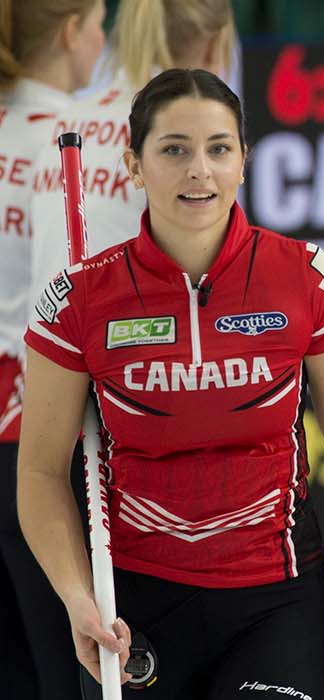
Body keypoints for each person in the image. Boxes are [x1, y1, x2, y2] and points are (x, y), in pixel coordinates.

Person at [18, 69, 324, 700]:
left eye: (218, 148)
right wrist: (78, 600)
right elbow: (40, 473)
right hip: (135, 605)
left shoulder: (306, 278)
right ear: (135, 163)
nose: (198, 169)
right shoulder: (81, 299)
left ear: (243, 162)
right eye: (173, 149)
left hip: (276, 598)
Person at [0, 3, 106, 696]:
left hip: (18, 415)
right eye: (100, 21)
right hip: (46, 423)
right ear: (72, 28)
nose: (103, 39)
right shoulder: (73, 140)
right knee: (74, 663)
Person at [28, 0, 234, 317]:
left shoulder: (66, 119)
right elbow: (217, 280)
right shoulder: (187, 130)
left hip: (44, 347)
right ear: (214, 46)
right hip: (122, 347)